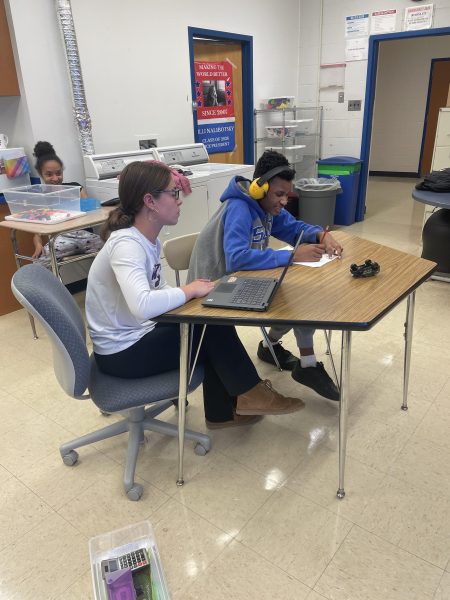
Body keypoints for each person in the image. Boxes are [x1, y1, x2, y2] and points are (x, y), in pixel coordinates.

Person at [85, 160, 305, 429]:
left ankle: (225, 411)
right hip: (122, 353)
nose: (179, 200)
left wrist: (193, 294)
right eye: (172, 193)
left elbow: (153, 291)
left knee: (205, 314)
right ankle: (247, 393)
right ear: (150, 201)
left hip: (136, 334)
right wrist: (186, 290)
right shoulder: (127, 245)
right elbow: (142, 305)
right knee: (209, 326)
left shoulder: (144, 239)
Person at [188, 150, 342, 402]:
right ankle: (307, 364)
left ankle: (279, 351)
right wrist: (292, 256)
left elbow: (294, 228)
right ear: (259, 189)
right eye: (279, 194)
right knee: (295, 299)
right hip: (213, 288)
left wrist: (320, 235)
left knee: (298, 294)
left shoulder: (266, 207)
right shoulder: (239, 208)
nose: (284, 201)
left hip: (239, 279)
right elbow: (236, 258)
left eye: (287, 195)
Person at [31, 141, 103, 260]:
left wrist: (69, 196)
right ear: (40, 174)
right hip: (61, 238)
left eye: (58, 173)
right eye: (49, 174)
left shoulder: (76, 188)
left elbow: (92, 212)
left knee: (113, 249)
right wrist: (38, 245)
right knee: (40, 262)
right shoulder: (41, 197)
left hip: (85, 236)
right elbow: (37, 232)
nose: (55, 178)